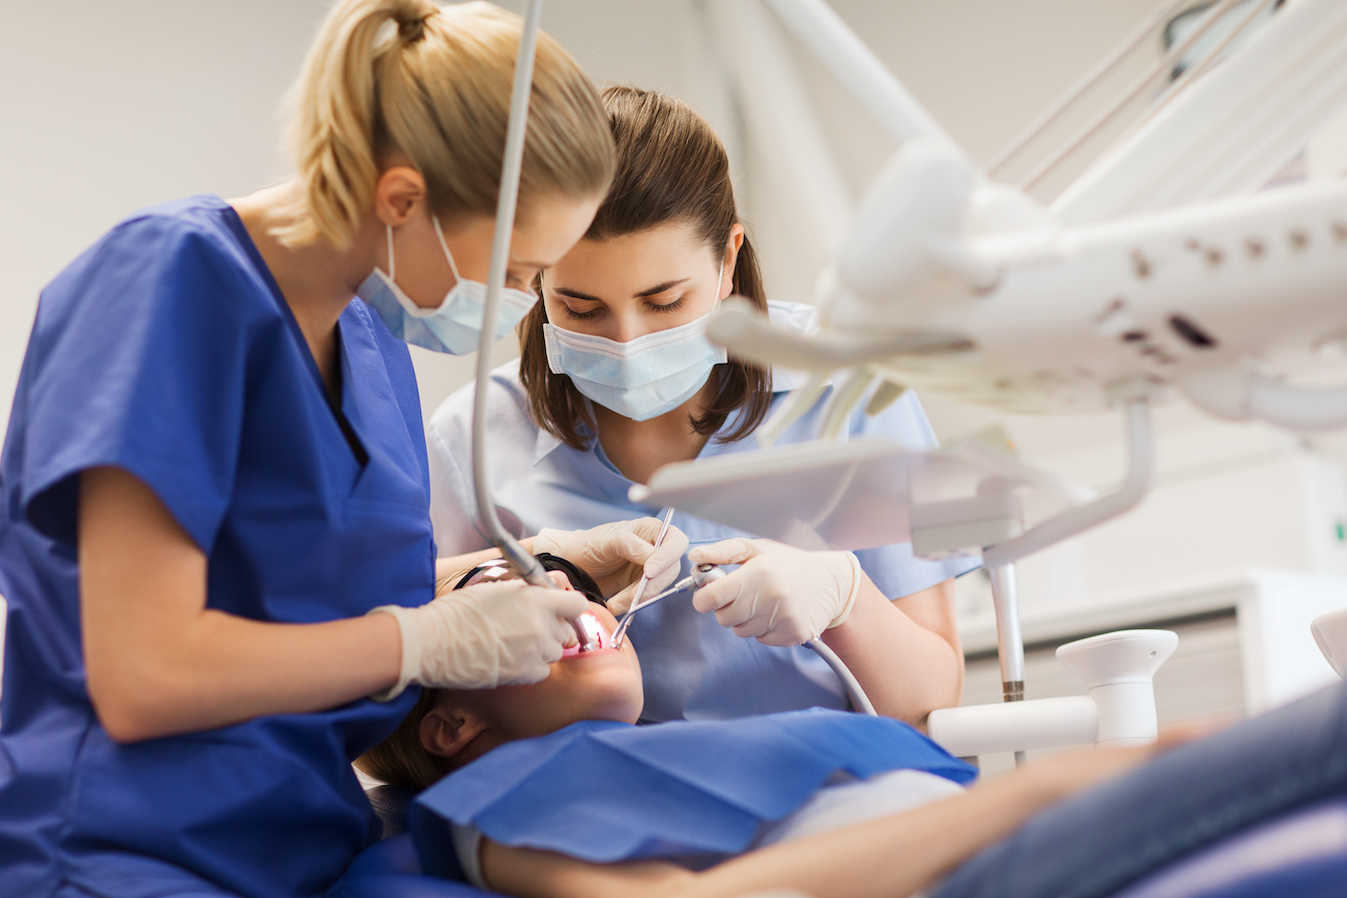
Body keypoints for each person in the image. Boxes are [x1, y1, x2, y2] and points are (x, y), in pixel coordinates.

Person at [0, 3, 688, 897]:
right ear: (403, 199)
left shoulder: (368, 341)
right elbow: (145, 672)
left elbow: (298, 590)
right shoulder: (172, 284)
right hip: (125, 849)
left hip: (305, 848)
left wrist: (539, 566)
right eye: (517, 273)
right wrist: (422, 641)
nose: (518, 301)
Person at [426, 85, 977, 726]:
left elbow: (932, 703)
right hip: (601, 805)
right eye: (580, 307)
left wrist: (847, 598)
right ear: (535, 278)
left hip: (833, 788)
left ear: (728, 262)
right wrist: (537, 568)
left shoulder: (851, 390)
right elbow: (410, 685)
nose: (627, 343)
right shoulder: (472, 439)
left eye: (664, 302)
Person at [360, 576, 1347, 898]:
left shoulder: (636, 749)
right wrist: (1034, 792)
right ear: (452, 723)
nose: (554, 594)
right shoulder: (485, 805)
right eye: (505, 607)